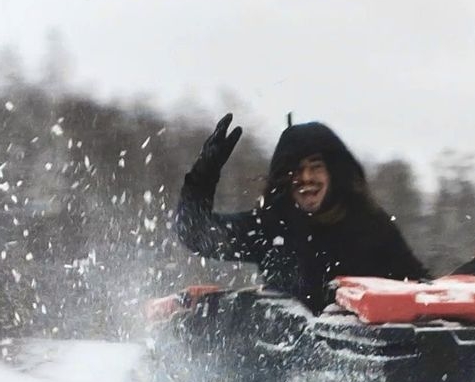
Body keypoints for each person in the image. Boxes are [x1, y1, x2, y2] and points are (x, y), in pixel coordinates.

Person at [175, 114, 429, 313]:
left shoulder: (371, 226)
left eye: (316, 167)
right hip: (282, 366)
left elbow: (424, 290)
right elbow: (195, 232)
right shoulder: (271, 226)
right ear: (284, 177)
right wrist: (202, 176)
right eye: (296, 170)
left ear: (333, 173)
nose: (306, 178)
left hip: (362, 365)